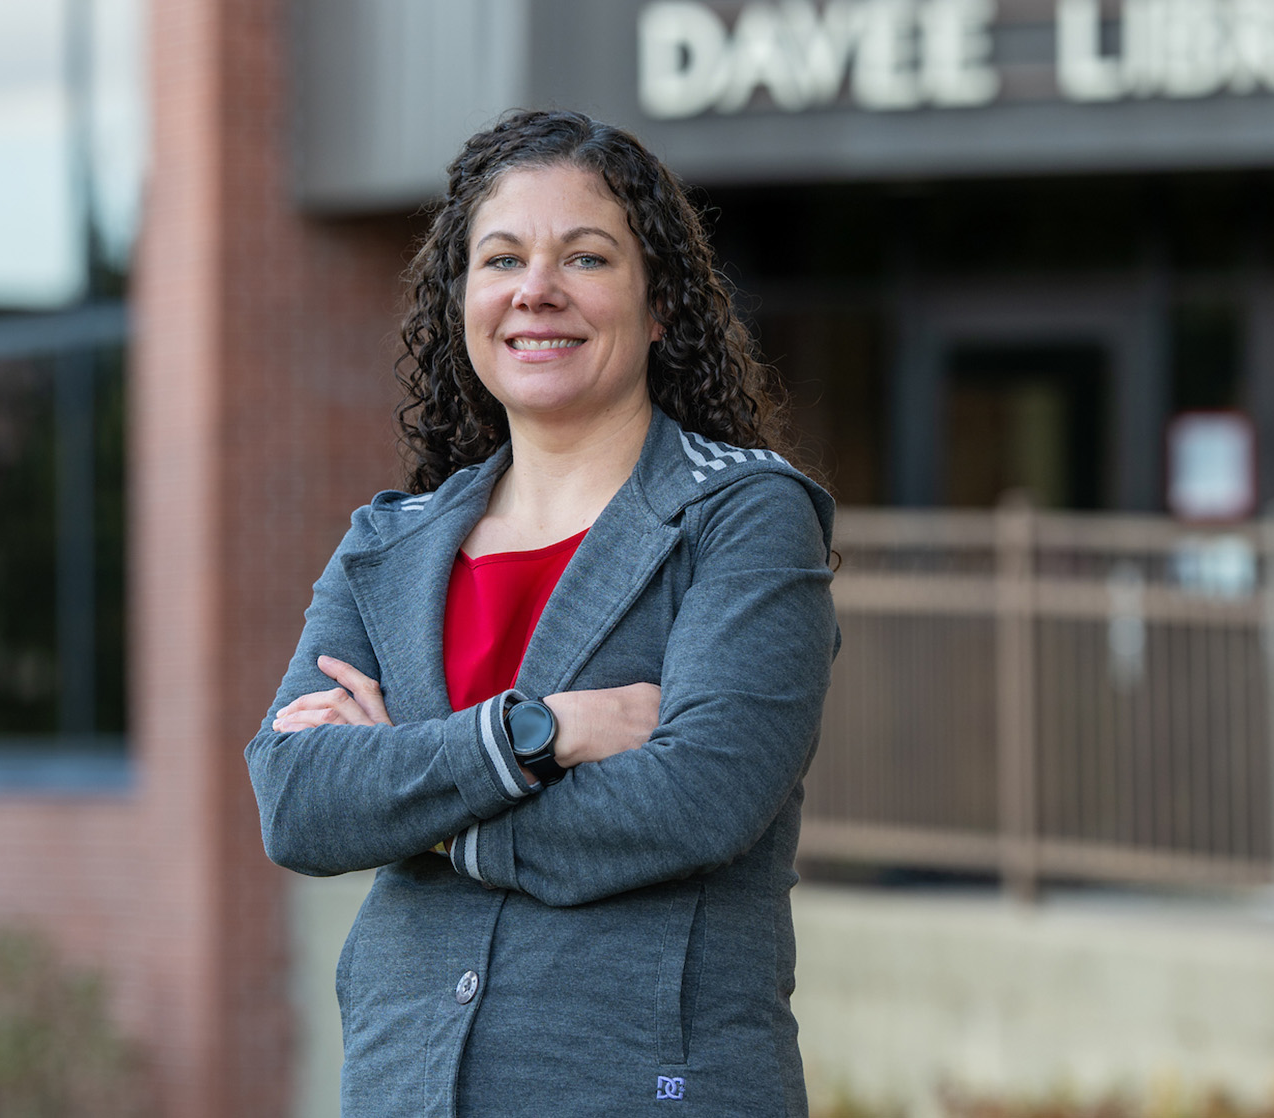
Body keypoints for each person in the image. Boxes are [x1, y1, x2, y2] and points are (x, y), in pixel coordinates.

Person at [245, 109, 839, 1117]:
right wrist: (535, 732)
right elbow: (299, 800)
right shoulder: (391, 545)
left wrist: (429, 816)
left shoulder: (743, 516)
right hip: (406, 1088)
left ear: (659, 303)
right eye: (503, 259)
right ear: (462, 302)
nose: (536, 290)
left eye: (586, 257)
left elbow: (696, 798)